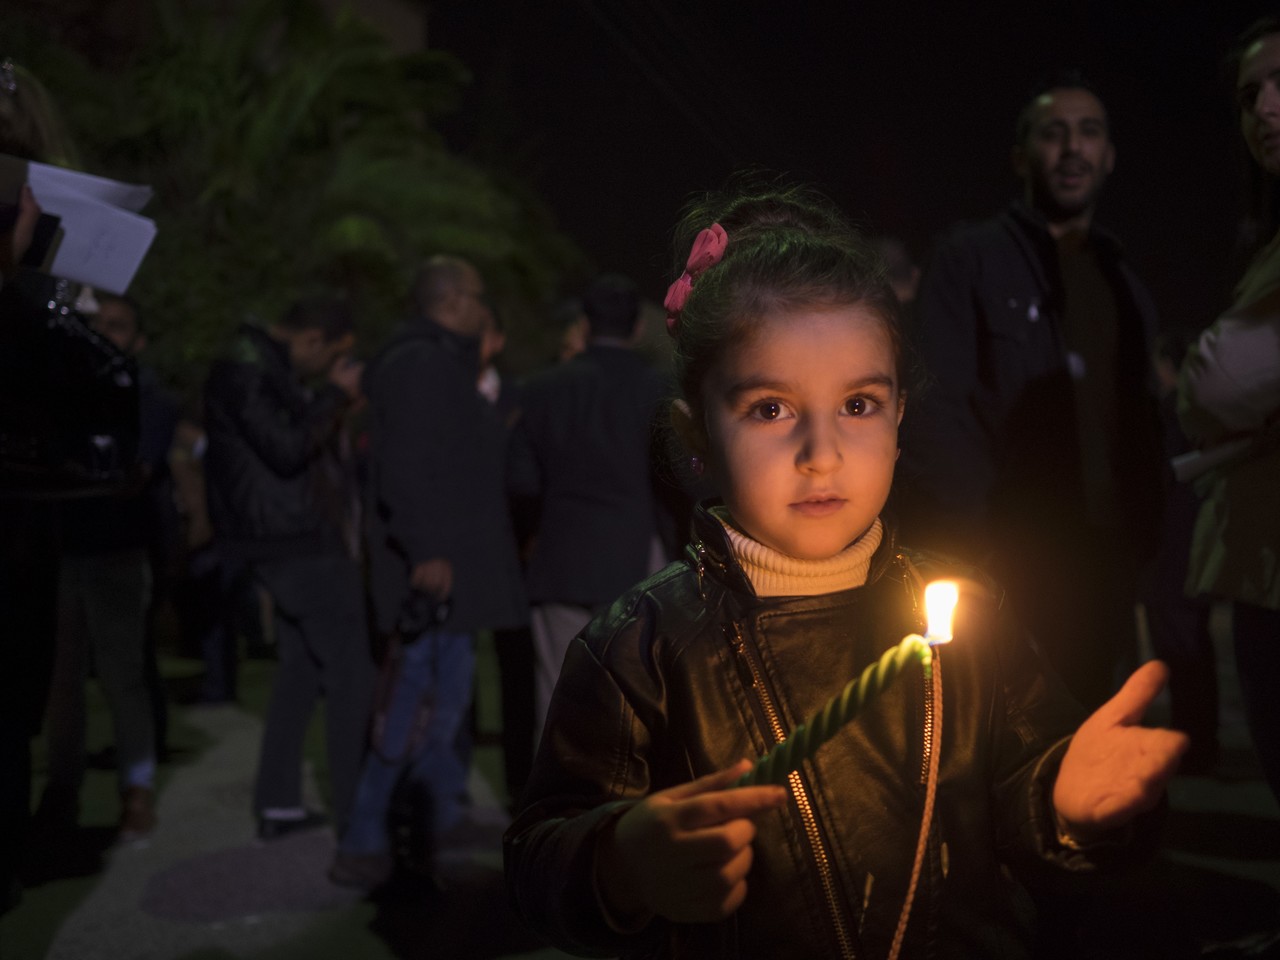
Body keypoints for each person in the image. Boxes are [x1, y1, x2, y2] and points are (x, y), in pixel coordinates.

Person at [503, 182, 1188, 959]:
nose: (822, 454)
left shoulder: (973, 613)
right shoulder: (640, 645)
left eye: (858, 405)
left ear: (900, 419)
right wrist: (620, 863)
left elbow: (1021, 800)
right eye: (771, 409)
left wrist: (1064, 800)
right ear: (697, 433)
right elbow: (537, 856)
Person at [899, 71, 1165, 710]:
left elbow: (1142, 416)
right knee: (999, 734)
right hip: (1009, 554)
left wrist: (1144, 534)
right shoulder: (971, 258)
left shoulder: (1122, 278)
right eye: (1054, 134)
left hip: (1103, 556)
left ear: (1108, 157)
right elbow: (936, 403)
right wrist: (985, 539)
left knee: (1091, 736)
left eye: (1089, 133)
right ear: (1022, 157)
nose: (1072, 148)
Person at [334, 255, 526, 889]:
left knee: (440, 703)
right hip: (434, 575)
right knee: (414, 710)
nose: (481, 309)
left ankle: (440, 814)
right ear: (450, 302)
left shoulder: (426, 360)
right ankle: (364, 839)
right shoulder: (424, 364)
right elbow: (410, 468)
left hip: (446, 568)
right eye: (475, 297)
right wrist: (426, 549)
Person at [203, 295, 374, 841]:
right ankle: (357, 820)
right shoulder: (247, 367)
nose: (327, 370)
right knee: (351, 679)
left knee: (299, 674)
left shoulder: (256, 365)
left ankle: (278, 804)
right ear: (312, 340)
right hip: (296, 543)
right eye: (328, 359)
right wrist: (334, 396)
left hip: (280, 541)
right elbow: (286, 448)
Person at [1178, 15, 1280, 805]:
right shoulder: (1266, 242)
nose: (1266, 110)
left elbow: (1217, 384)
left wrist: (1202, 369)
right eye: (1251, 95)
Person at [37, 292, 178, 842]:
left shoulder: (146, 395)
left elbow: (132, 469)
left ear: (136, 339)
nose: (105, 335)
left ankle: (136, 789)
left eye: (117, 327)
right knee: (61, 681)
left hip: (117, 552)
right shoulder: (61, 389)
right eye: (98, 325)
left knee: (123, 678)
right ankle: (63, 790)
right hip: (64, 550)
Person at [508, 273, 672, 742]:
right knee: (632, 695)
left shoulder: (541, 389)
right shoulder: (656, 389)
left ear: (583, 325)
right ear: (636, 327)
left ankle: (555, 809)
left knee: (558, 696)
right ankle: (623, 807)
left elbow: (520, 480)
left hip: (559, 557)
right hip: (635, 558)